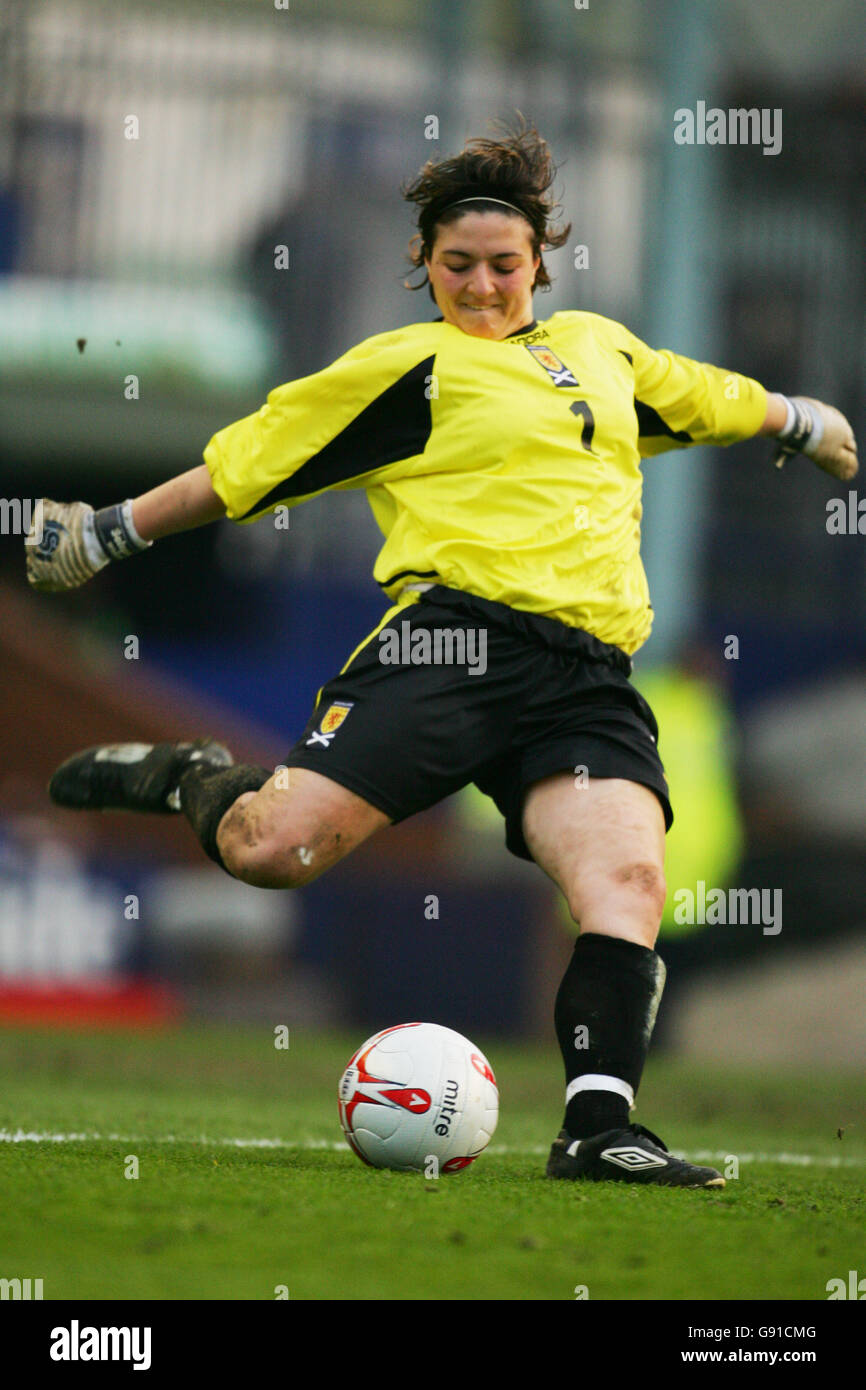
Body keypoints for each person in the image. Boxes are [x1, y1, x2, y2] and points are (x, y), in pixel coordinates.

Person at [27, 122, 857, 1188]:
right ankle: (194, 776)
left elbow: (700, 394)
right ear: (423, 264)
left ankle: (598, 1128)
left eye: (501, 265)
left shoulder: (597, 349)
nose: (478, 284)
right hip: (450, 644)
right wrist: (107, 531)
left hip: (585, 673)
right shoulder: (404, 369)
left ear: (538, 264)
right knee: (271, 852)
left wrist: (795, 416)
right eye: (455, 264)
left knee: (625, 878)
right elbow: (243, 469)